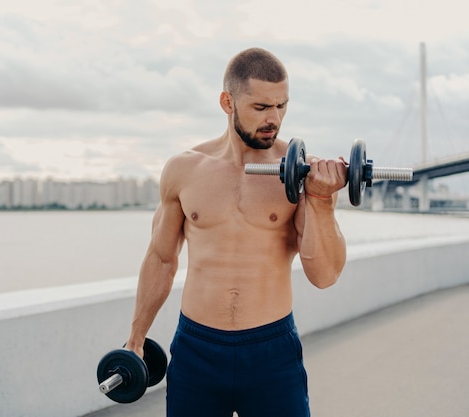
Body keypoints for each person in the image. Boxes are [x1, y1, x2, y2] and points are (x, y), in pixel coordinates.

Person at [125, 47, 347, 417]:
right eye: (261, 107)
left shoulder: (303, 174)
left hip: (271, 350)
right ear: (227, 102)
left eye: (281, 106)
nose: (273, 118)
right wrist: (135, 339)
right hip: (197, 348)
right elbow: (162, 260)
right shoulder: (184, 169)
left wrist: (322, 201)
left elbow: (325, 276)